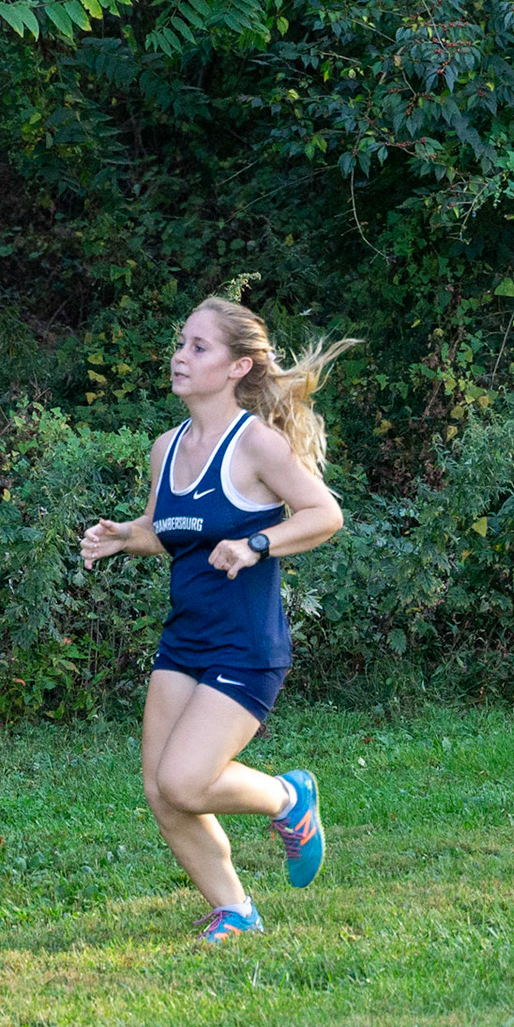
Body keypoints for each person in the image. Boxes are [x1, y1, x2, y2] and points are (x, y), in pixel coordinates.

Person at [81, 296, 355, 943]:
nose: (180, 356)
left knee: (185, 779)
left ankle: (289, 798)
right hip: (185, 640)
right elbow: (171, 530)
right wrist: (126, 536)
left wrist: (257, 543)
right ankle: (236, 910)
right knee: (161, 790)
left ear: (238, 367)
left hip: (245, 646)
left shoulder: (255, 444)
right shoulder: (166, 448)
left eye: (198, 347)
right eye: (181, 343)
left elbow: (325, 514)